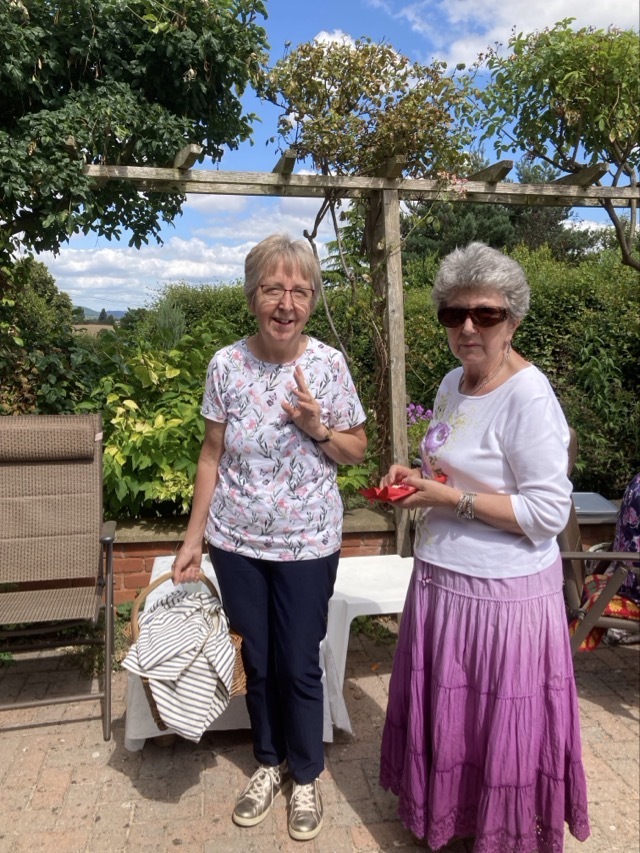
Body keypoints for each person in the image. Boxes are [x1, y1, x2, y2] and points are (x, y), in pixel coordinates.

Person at [378, 242, 590, 852]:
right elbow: (456, 471)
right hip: (443, 582)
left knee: (499, 726)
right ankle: (452, 816)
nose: (468, 326)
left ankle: (502, 833)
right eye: (454, 313)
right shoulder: (453, 382)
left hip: (503, 599)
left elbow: (547, 513)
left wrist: (449, 501)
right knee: (457, 721)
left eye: (486, 314)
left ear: (513, 318)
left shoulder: (529, 397)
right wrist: (419, 482)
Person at [172, 233, 367, 841]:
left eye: (300, 290)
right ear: (253, 295)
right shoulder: (225, 365)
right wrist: (192, 538)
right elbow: (211, 454)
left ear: (311, 298)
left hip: (308, 542)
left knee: (298, 660)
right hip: (237, 543)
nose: (287, 302)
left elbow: (355, 450)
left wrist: (317, 428)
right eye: (274, 289)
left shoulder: (329, 366)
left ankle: (305, 774)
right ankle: (267, 763)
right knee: (257, 659)